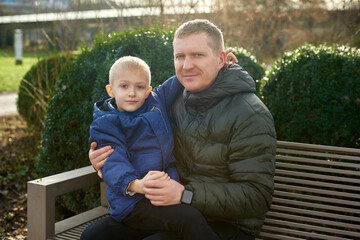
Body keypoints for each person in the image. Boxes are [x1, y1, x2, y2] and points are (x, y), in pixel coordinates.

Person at [84, 19, 276, 240]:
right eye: (180, 57)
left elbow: (258, 197)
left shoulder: (249, 113)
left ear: (221, 58)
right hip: (169, 207)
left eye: (198, 55)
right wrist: (104, 154)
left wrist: (186, 195)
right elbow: (127, 123)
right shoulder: (172, 100)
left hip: (225, 224)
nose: (186, 66)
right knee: (94, 237)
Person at [86, 56, 220, 240]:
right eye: (124, 86)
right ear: (111, 90)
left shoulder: (156, 103)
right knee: (91, 236)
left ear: (148, 91)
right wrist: (138, 185)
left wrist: (215, 61)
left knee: (189, 218)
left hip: (163, 196)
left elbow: (179, 79)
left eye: (139, 87)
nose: (132, 93)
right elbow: (113, 162)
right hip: (131, 203)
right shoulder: (105, 123)